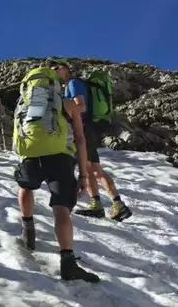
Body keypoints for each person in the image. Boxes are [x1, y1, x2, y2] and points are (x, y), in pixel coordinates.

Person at [12, 66, 100, 283]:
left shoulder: (25, 103)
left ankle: (28, 229)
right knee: (61, 208)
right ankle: (67, 262)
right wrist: (83, 175)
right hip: (60, 158)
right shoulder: (68, 104)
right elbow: (80, 139)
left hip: (31, 156)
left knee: (25, 186)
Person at [53, 63, 132, 222]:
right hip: (89, 129)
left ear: (67, 69)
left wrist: (62, 107)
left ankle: (98, 204)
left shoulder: (73, 83)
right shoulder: (75, 84)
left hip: (82, 128)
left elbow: (80, 106)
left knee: (88, 168)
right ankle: (116, 203)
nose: (54, 72)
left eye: (57, 68)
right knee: (95, 168)